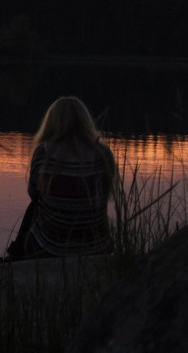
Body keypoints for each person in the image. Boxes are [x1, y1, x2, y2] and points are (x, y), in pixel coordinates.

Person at [7, 96, 117, 258]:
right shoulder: (103, 153)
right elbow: (105, 194)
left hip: (50, 245)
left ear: (51, 122)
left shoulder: (44, 153)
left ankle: (15, 255)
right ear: (85, 121)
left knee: (34, 207)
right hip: (96, 244)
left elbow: (34, 193)